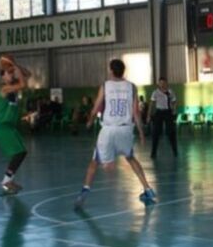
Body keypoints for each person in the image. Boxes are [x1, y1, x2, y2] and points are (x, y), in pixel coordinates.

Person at [75, 59, 156, 208]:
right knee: (130, 158)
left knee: (94, 162)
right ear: (123, 71)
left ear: (111, 70)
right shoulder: (132, 87)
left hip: (109, 129)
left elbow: (96, 107)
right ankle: (148, 189)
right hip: (125, 129)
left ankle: (85, 190)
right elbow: (136, 112)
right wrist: (141, 132)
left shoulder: (105, 85)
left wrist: (89, 121)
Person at [0, 54, 31, 195]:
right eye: (8, 74)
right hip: (2, 126)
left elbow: (28, 74)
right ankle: (6, 181)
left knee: (22, 152)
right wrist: (13, 66)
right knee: (19, 152)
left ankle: (8, 180)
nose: (11, 75)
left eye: (11, 73)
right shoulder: (4, 89)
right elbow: (23, 84)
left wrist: (15, 65)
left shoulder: (13, 86)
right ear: (2, 77)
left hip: (10, 126)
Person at [149, 77, 178, 159]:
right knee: (156, 132)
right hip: (159, 112)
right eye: (160, 83)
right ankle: (153, 152)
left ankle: (175, 150)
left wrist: (174, 110)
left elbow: (174, 101)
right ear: (158, 84)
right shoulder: (155, 93)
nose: (162, 84)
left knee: (171, 132)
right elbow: (151, 104)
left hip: (168, 112)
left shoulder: (170, 92)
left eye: (163, 83)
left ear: (166, 83)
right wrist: (149, 115)